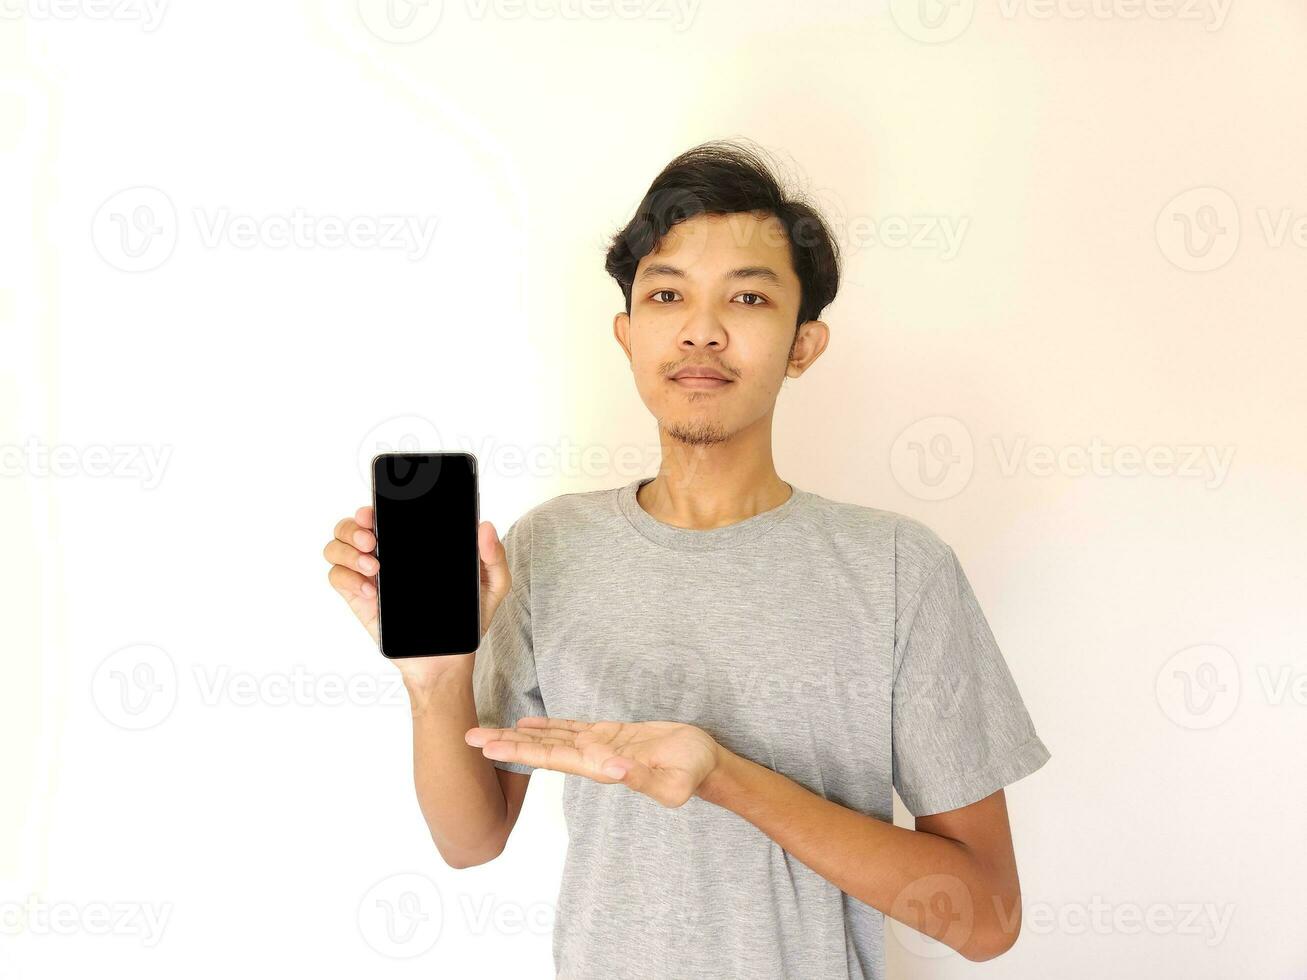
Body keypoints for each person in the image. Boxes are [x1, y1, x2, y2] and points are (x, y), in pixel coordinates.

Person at [323, 139, 1051, 979]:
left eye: (746, 297)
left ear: (803, 345)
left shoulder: (897, 569)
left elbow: (986, 919)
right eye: (668, 295)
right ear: (628, 336)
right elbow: (471, 840)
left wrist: (724, 776)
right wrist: (436, 679)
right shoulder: (548, 548)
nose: (701, 330)